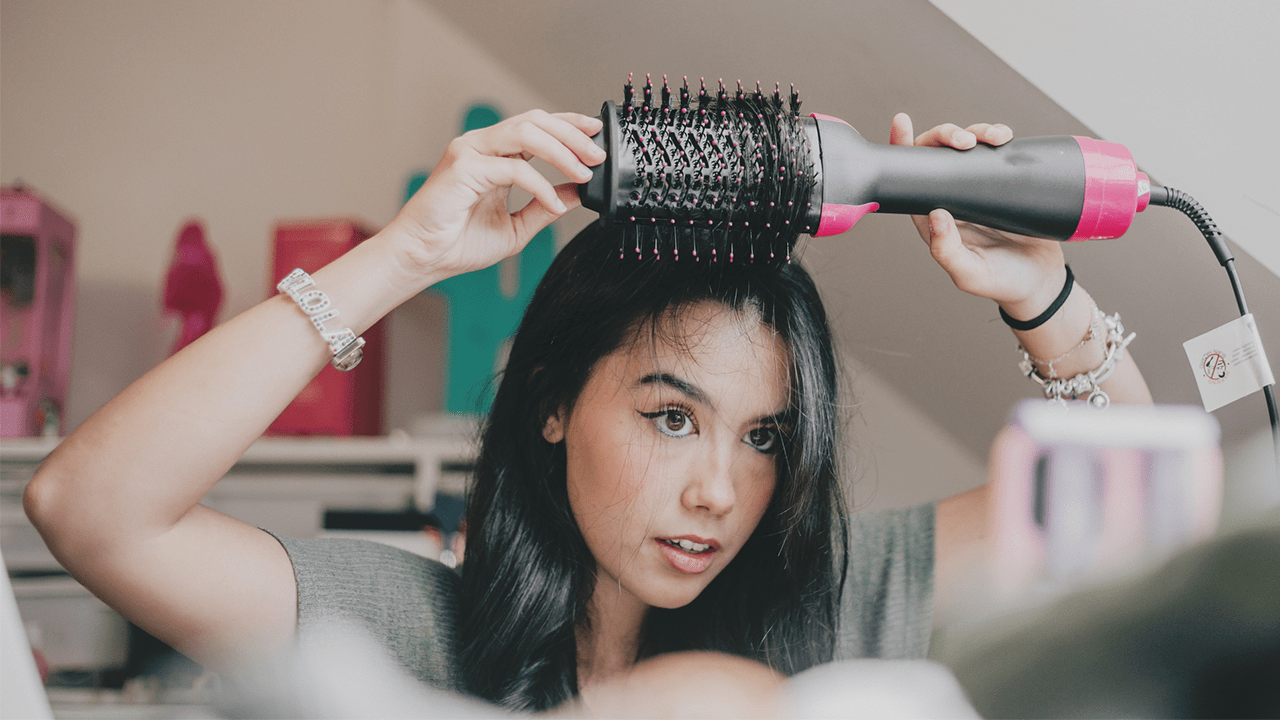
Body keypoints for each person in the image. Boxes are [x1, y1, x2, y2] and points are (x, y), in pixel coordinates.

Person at [24, 109, 1151, 714]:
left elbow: (1127, 511)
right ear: (554, 400)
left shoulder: (836, 603)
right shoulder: (404, 631)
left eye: (763, 437)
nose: (720, 490)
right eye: (672, 416)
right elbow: (87, 509)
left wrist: (1042, 298)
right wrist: (403, 258)